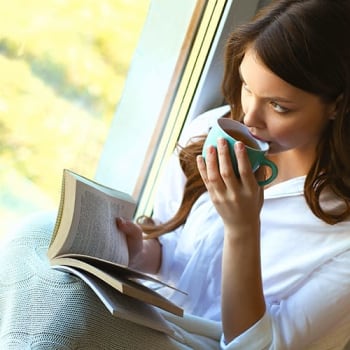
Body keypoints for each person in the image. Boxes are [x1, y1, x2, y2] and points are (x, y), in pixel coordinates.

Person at [1, 0, 350, 349]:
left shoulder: (342, 238)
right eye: (247, 87)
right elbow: (178, 256)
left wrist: (243, 229)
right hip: (154, 316)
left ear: (336, 105)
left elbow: (255, 347)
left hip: (200, 344)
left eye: (278, 106)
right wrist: (140, 254)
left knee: (69, 319)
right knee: (37, 233)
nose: (249, 118)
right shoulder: (211, 132)